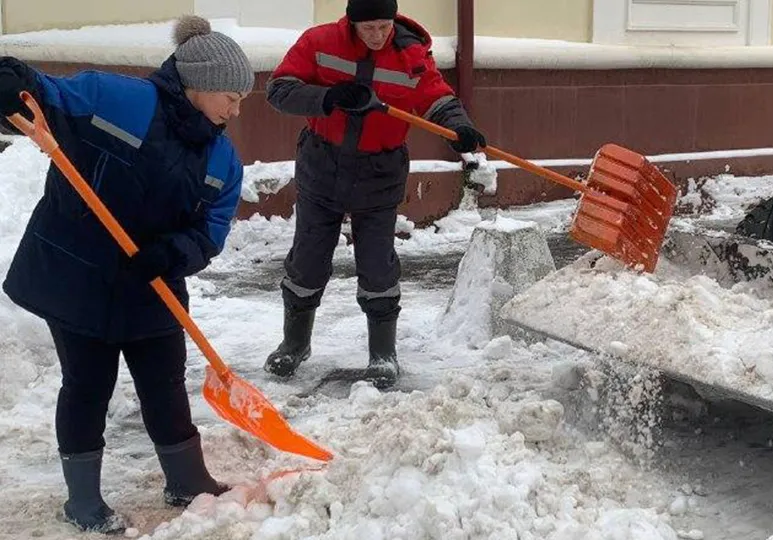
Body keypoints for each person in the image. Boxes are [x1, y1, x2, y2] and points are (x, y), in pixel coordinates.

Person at [0, 15, 254, 534]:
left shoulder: (223, 160)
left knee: (164, 382)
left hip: (152, 284)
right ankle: (83, 501)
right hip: (78, 277)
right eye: (231, 95)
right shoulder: (119, 99)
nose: (235, 108)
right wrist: (11, 80)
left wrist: (171, 254)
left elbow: (210, 232)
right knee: (88, 384)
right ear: (199, 84)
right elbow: (39, 96)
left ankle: (187, 480)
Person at [263, 0, 486, 387]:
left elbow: (436, 96)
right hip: (322, 165)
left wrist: (458, 125)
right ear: (351, 22)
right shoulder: (319, 42)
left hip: (379, 172)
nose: (378, 35)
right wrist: (327, 98)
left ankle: (383, 353)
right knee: (309, 258)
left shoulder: (410, 54)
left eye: (384, 26)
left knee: (377, 262)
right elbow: (279, 90)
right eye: (369, 28)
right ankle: (294, 343)